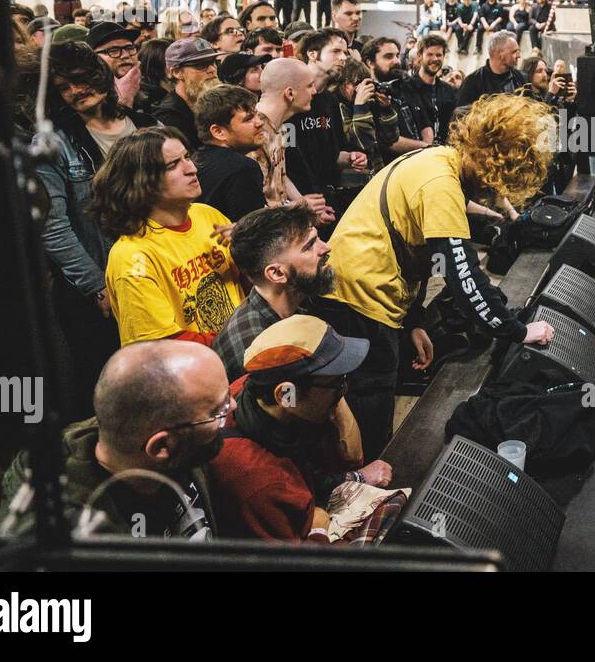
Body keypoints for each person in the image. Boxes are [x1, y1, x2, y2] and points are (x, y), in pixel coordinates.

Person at [312, 95, 557, 453]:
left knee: (377, 398)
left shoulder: (438, 159)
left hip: (367, 292)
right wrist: (517, 331)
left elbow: (414, 246)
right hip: (356, 298)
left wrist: (412, 320)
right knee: (371, 408)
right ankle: (369, 492)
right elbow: (463, 274)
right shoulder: (440, 183)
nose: (493, 190)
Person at [0, 341, 227, 539]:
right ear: (161, 447)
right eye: (219, 411)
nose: (233, 408)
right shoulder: (72, 545)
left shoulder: (135, 426)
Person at [38, 42, 157, 414]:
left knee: (160, 383)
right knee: (114, 392)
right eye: (62, 87)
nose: (74, 91)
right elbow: (52, 227)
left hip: (160, 273)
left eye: (79, 79)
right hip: (103, 287)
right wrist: (96, 286)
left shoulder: (147, 125)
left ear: (100, 74)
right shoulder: (53, 143)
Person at [206, 315, 391, 542]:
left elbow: (351, 457)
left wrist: (332, 394)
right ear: (286, 395)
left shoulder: (255, 387)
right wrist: (319, 529)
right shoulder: (260, 481)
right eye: (337, 383)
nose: (345, 389)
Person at [96, 126, 245, 346]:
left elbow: (246, 284)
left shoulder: (207, 215)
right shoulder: (132, 258)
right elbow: (162, 345)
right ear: (142, 182)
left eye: (186, 157)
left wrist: (251, 250)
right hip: (200, 371)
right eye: (173, 165)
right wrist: (245, 339)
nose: (191, 168)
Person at [213, 205, 333, 382]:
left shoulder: (293, 305)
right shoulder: (260, 354)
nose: (326, 248)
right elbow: (292, 407)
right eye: (309, 246)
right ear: (277, 274)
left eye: (318, 239)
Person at [285, 28, 367, 199]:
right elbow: (285, 159)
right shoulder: (290, 95)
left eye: (345, 53)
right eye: (336, 51)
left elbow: (335, 154)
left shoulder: (330, 100)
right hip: (299, 197)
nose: (343, 58)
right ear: (312, 54)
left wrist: (352, 157)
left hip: (327, 192)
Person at [255, 57, 335, 221]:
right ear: (290, 93)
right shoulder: (254, 133)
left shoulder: (280, 124)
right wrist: (299, 207)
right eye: (309, 86)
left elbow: (279, 176)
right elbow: (253, 204)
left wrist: (306, 206)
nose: (314, 91)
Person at [192, 84, 268, 222]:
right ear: (219, 132)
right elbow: (254, 234)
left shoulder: (195, 160)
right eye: (248, 119)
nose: (259, 123)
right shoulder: (243, 168)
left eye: (257, 114)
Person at [152, 37, 221, 148]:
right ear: (177, 72)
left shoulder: (215, 102)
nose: (212, 69)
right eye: (201, 65)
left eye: (213, 63)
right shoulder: (169, 117)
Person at [400, 33, 456, 145]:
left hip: (444, 152)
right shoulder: (406, 88)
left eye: (439, 55)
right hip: (416, 154)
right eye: (430, 54)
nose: (435, 59)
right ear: (420, 56)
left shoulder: (448, 90)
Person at [454, 31, 530, 109]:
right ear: (500, 54)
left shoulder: (522, 79)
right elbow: (460, 115)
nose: (519, 56)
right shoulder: (472, 82)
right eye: (514, 52)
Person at [87, 20, 142, 108]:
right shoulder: (87, 98)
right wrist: (124, 101)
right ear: (94, 57)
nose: (126, 55)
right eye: (113, 51)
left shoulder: (155, 94)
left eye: (129, 48)